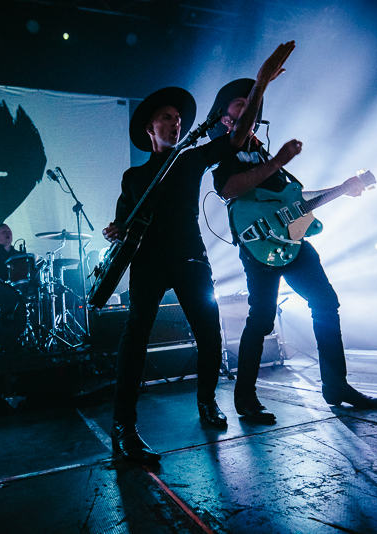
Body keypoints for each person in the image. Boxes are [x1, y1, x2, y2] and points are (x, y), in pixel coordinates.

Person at [102, 42, 296, 464]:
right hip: (148, 262)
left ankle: (207, 402)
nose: (174, 124)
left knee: (209, 334)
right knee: (135, 338)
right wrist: (115, 231)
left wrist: (260, 84)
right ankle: (123, 426)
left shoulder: (191, 160)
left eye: (177, 119)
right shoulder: (133, 176)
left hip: (190, 257)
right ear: (150, 128)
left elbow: (237, 136)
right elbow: (122, 224)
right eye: (166, 118)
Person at [208, 78, 377, 424]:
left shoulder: (261, 153)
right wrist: (277, 161)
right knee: (261, 319)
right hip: (259, 246)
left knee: (325, 302)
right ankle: (245, 398)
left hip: (292, 242)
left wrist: (342, 189)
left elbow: (293, 200)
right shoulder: (224, 152)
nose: (248, 107)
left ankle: (336, 385)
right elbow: (229, 188)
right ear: (225, 117)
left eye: (251, 103)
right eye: (239, 104)